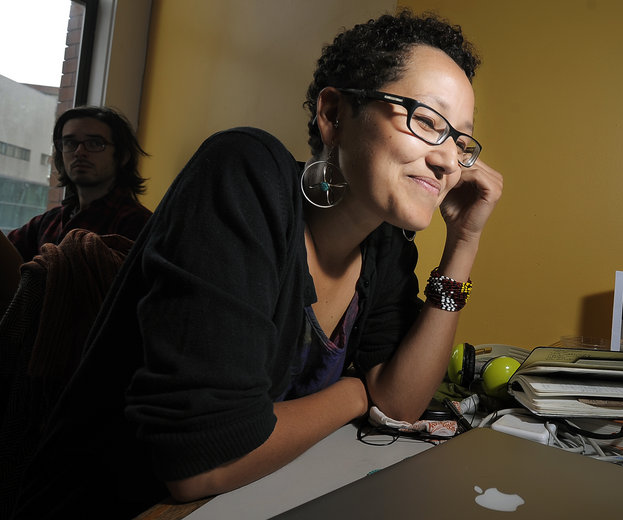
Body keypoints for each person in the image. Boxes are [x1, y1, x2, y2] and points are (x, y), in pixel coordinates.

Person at [9, 10, 503, 518]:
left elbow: (400, 404)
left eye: (462, 142)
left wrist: (464, 240)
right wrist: (357, 393)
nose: (448, 160)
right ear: (333, 115)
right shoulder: (246, 174)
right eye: (426, 120)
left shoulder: (387, 248)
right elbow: (202, 461)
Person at [6, 105, 152, 262]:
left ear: (122, 156)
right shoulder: (48, 221)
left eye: (95, 143)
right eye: (70, 143)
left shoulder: (140, 225)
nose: (79, 152)